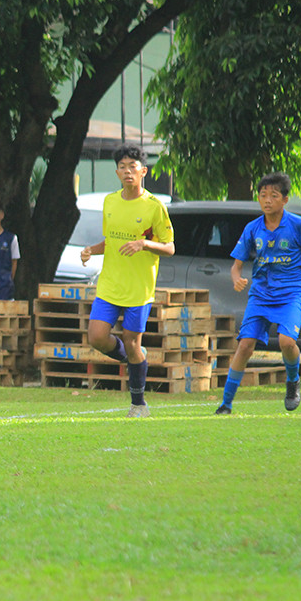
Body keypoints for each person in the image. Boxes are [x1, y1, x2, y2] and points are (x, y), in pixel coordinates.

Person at [215, 172, 301, 415]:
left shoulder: (298, 226)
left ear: (285, 199)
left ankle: (292, 381)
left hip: (291, 293)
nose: (267, 200)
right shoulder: (252, 228)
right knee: (245, 344)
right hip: (261, 293)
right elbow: (236, 265)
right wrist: (237, 279)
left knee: (286, 342)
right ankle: (226, 404)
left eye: (273, 195)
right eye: (263, 195)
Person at [80, 144, 174, 418]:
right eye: (122, 167)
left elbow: (169, 247)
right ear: (117, 172)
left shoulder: (154, 207)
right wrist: (91, 250)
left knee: (132, 343)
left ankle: (138, 403)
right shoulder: (109, 201)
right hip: (110, 285)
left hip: (139, 290)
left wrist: (144, 243)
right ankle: (136, 360)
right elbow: (112, 241)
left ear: (143, 171)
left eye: (132, 166)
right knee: (97, 337)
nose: (127, 171)